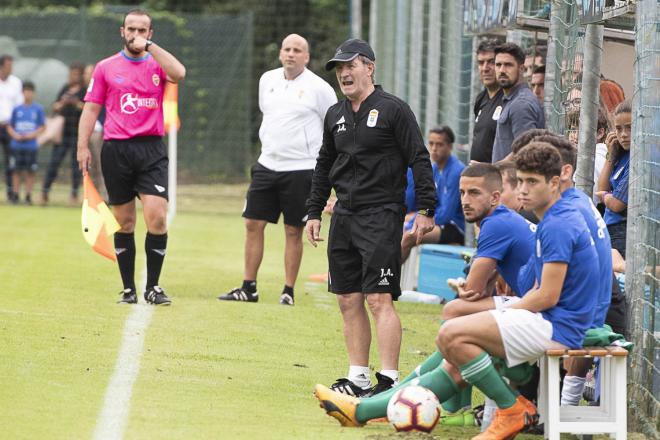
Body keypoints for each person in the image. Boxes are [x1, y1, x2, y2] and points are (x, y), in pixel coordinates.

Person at [315, 143, 600, 440]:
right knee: (455, 356)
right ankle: (362, 411)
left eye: (531, 182)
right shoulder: (550, 218)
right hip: (553, 318)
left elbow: (547, 297)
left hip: (560, 325)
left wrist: (503, 311)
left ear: (556, 182)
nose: (522, 190)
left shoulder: (555, 224)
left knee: (453, 331)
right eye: (519, 180)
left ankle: (511, 407)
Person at [305, 38, 437, 396]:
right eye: (339, 68)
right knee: (347, 298)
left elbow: (418, 158)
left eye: (351, 65)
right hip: (343, 217)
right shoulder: (335, 114)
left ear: (370, 67)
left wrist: (427, 208)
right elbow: (324, 165)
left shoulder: (393, 109)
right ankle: (358, 375)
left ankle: (390, 380)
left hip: (381, 215)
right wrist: (314, 211)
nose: (344, 73)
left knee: (379, 298)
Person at [217, 34, 336, 306]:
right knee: (252, 223)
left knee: (294, 230)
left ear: (306, 56)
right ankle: (249, 287)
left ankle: (288, 290)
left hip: (302, 169)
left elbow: (332, 128)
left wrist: (328, 177)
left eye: (297, 50)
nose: (291, 54)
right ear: (281, 53)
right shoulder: (267, 80)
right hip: (267, 164)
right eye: (287, 49)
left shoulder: (319, 89)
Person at [77, 8, 186, 305]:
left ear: (150, 34)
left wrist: (150, 49)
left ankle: (153, 286)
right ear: (122, 31)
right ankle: (129, 289)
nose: (135, 34)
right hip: (116, 150)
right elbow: (90, 108)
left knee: (158, 217)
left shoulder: (157, 63)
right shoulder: (105, 67)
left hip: (151, 149)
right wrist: (82, 146)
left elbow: (179, 73)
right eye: (131, 29)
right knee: (124, 223)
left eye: (142, 30)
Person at [401, 126, 465, 262]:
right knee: (398, 229)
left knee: (408, 237)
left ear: (449, 147)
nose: (434, 148)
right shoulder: (434, 168)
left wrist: (416, 223)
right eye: (431, 144)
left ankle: (388, 278)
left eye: (439, 144)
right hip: (437, 222)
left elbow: (446, 213)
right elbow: (429, 203)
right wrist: (413, 220)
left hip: (453, 226)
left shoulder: (456, 171)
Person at [491, 43, 545, 163]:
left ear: (521, 69)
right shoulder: (512, 99)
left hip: (514, 180)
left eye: (508, 65)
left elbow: (525, 151)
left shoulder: (521, 104)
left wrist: (493, 169)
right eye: (498, 65)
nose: (502, 70)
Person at [42, 63, 85, 205]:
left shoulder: (84, 90)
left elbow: (88, 108)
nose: (73, 76)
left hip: (77, 133)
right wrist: (64, 102)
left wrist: (75, 102)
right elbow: (55, 106)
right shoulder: (65, 89)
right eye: (71, 73)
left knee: (75, 166)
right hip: (62, 133)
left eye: (76, 74)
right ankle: (45, 192)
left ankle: (74, 194)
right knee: (55, 162)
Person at [595, 99, 631, 258]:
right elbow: (601, 187)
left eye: (629, 128)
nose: (623, 134)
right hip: (610, 226)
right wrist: (611, 155)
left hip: (624, 231)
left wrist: (605, 196)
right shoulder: (621, 154)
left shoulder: (638, 158)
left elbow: (617, 204)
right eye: (618, 129)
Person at [6, 81, 45, 205]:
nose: (28, 94)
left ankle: (28, 196)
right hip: (17, 145)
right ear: (22, 93)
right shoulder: (17, 109)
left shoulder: (38, 109)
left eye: (30, 91)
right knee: (16, 170)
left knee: (30, 171)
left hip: (31, 146)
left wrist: (30, 135)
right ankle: (16, 195)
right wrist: (15, 135)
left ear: (33, 93)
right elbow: (9, 126)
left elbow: (42, 126)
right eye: (25, 91)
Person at [470, 39, 504, 164]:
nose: (485, 68)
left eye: (491, 62)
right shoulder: (480, 98)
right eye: (481, 63)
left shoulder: (509, 99)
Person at [0, 54, 23, 202]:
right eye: (8, 66)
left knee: (11, 162)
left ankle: (11, 194)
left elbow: (19, 105)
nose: (11, 69)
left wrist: (14, 127)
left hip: (9, 128)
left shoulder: (16, 82)